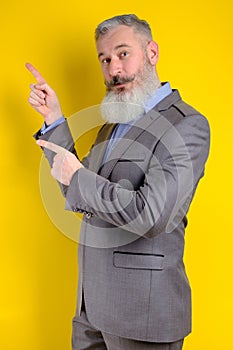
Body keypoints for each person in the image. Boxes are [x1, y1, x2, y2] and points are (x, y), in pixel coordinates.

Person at [26, 14, 210, 350]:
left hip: (142, 317)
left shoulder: (187, 125)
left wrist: (80, 177)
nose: (114, 69)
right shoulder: (114, 123)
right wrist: (53, 119)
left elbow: (152, 215)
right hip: (90, 311)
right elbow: (79, 191)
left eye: (123, 54)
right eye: (105, 59)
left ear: (151, 53)